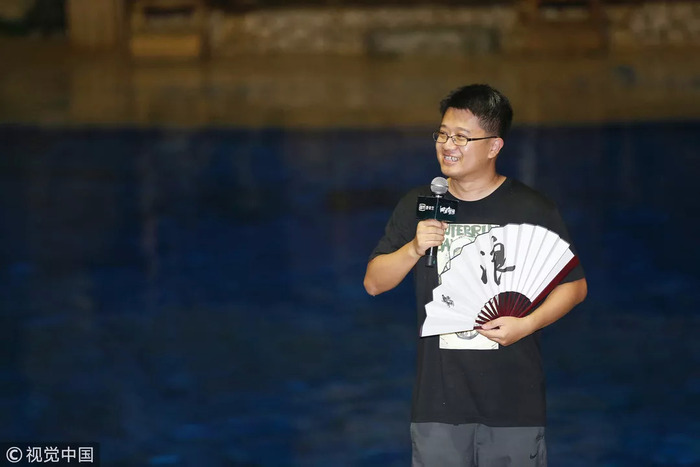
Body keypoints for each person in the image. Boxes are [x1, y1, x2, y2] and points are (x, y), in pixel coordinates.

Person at [363, 84, 587, 467]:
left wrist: (527, 325)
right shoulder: (420, 205)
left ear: (494, 146)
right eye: (443, 134)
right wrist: (413, 248)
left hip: (514, 406)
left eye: (462, 137)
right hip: (437, 406)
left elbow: (574, 286)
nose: (447, 145)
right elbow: (373, 283)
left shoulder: (531, 209)